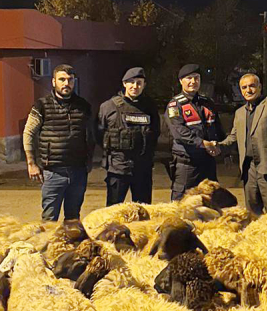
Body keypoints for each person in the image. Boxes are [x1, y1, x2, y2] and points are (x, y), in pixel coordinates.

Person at [23, 64, 93, 222]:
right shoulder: (42, 105)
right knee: (49, 219)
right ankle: (47, 247)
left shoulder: (83, 106)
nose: (66, 83)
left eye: (70, 80)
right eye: (62, 79)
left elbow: (90, 136)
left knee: (73, 219)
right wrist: (31, 163)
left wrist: (89, 160)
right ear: (54, 82)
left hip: (78, 172)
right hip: (53, 172)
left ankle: (70, 247)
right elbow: (28, 133)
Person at [216, 72, 267, 214]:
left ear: (260, 87)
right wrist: (217, 146)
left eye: (252, 86)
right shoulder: (239, 113)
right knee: (252, 211)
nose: (248, 90)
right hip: (248, 169)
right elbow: (233, 138)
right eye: (244, 87)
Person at [95, 66, 160, 205]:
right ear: (124, 83)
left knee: (143, 213)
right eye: (131, 82)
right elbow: (99, 133)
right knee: (113, 213)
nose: (135, 86)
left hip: (142, 169)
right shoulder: (108, 107)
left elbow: (155, 134)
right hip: (118, 168)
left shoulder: (150, 107)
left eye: (139, 83)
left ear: (144, 85)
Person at [165, 64, 225, 200]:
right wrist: (204, 143)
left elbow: (217, 129)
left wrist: (221, 146)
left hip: (208, 162)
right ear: (181, 81)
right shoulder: (175, 105)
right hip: (187, 163)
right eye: (189, 78)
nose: (193, 82)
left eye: (196, 78)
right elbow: (179, 133)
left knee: (211, 201)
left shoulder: (207, 103)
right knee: (182, 203)